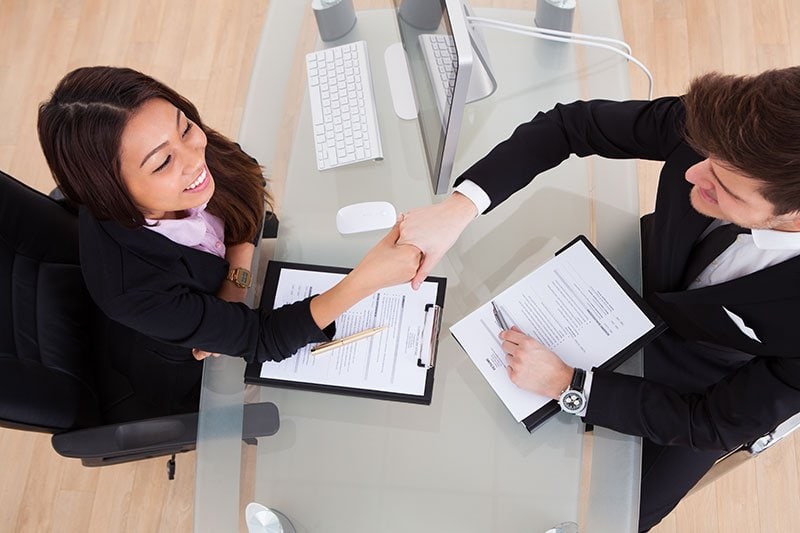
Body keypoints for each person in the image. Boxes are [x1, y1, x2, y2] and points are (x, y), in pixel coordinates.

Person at [397, 67, 800, 531]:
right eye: (706, 157)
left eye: (721, 186)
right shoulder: (724, 132)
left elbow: (715, 422)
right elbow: (572, 125)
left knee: (616, 517)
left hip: (705, 380)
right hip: (639, 269)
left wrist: (571, 386)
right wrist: (459, 208)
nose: (692, 171)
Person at [37, 66, 421, 392]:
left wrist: (234, 284)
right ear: (111, 190)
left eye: (185, 128)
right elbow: (260, 339)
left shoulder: (190, 154)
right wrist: (366, 280)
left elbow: (246, 176)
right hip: (187, 369)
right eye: (162, 163)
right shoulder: (131, 288)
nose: (195, 159)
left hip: (227, 302)